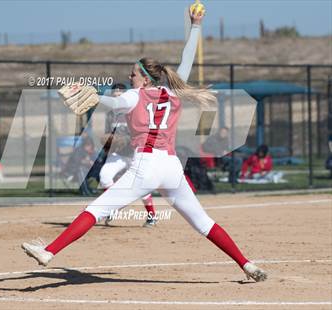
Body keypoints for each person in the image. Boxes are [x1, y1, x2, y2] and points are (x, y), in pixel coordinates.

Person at [22, 8, 267, 282]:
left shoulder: (132, 96)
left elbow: (114, 103)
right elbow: (186, 59)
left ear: (145, 78)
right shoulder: (171, 92)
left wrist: (93, 97)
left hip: (146, 166)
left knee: (95, 210)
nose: (130, 78)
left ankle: (48, 252)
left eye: (133, 74)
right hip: (171, 167)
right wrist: (196, 25)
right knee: (203, 223)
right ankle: (247, 264)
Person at [100, 83, 157, 227]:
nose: (117, 97)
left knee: (141, 186)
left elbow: (141, 133)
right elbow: (109, 134)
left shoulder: (134, 111)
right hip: (118, 154)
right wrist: (109, 141)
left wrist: (124, 140)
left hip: (134, 153)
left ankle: (152, 216)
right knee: (104, 176)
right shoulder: (110, 114)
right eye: (114, 95)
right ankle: (114, 206)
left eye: (120, 95)